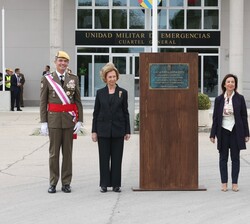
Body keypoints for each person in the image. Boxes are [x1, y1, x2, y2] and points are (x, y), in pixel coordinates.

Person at [40, 51, 83, 194]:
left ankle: (66, 182)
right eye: (60, 61)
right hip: (53, 121)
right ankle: (53, 182)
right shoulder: (47, 79)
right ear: (55, 62)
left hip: (69, 122)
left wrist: (80, 120)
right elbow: (43, 102)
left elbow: (77, 101)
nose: (63, 63)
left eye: (65, 61)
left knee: (67, 154)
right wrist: (43, 122)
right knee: (53, 154)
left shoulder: (74, 78)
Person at [91, 62, 131, 193]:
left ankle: (116, 184)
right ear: (105, 78)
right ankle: (104, 184)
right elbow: (96, 113)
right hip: (102, 131)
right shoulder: (100, 93)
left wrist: (127, 131)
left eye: (114, 76)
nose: (112, 79)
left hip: (118, 130)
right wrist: (94, 131)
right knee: (103, 158)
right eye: (110, 77)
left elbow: (126, 112)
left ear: (117, 77)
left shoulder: (123, 93)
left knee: (117, 158)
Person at [210, 74, 249, 192]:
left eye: (233, 82)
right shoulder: (219, 99)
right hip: (223, 131)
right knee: (223, 158)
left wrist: (246, 134)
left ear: (235, 85)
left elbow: (243, 117)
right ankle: (224, 183)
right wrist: (212, 134)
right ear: (224, 84)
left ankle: (235, 183)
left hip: (236, 131)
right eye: (228, 82)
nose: (230, 84)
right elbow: (216, 118)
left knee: (235, 158)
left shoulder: (240, 98)